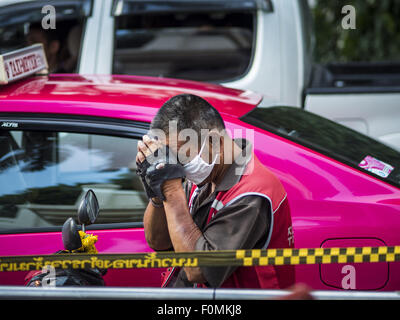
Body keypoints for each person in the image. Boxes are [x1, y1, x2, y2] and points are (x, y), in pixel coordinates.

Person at [136, 94, 295, 288]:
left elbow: (198, 270)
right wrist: (157, 192)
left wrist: (170, 188)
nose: (176, 166)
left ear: (214, 142)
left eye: (181, 157)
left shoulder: (252, 193)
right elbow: (158, 242)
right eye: (171, 157)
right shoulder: (202, 174)